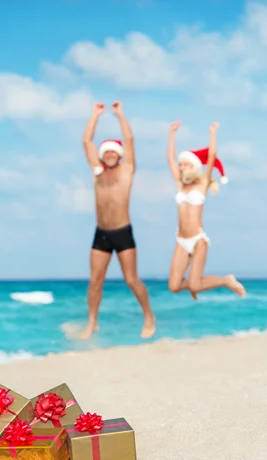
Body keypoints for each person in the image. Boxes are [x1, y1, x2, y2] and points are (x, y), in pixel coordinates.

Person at [79, 101, 156, 340]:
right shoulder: (97, 172)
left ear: (119, 155)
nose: (110, 154)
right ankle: (92, 322)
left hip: (122, 232)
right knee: (95, 281)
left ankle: (148, 316)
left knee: (131, 280)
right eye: (107, 152)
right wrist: (95, 116)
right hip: (101, 233)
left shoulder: (127, 170)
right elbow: (86, 142)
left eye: (114, 152)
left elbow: (130, 140)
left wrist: (120, 115)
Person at [167, 120, 246, 300]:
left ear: (194, 166)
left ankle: (226, 280)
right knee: (174, 286)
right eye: (181, 165)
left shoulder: (202, 183)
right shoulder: (180, 185)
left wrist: (212, 133)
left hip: (197, 240)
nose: (181, 167)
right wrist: (172, 134)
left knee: (194, 284)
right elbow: (170, 159)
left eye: (185, 164)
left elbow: (211, 156)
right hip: (181, 240)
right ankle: (198, 285)